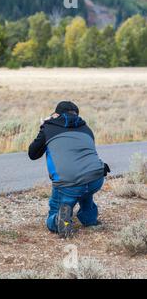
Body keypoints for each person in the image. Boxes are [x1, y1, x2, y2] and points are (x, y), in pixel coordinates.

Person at [28, 101, 110, 238]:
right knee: (85, 188)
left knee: (57, 208)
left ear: (56, 114)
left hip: (68, 184)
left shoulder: (48, 128)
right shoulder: (86, 128)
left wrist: (43, 127)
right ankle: (90, 220)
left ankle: (59, 220)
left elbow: (33, 154)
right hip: (96, 178)